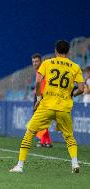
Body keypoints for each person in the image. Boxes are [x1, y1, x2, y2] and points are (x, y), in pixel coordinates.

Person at [10, 40, 84, 173]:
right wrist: (72, 94)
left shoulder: (47, 63)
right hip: (64, 107)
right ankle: (75, 163)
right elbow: (82, 88)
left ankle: (20, 165)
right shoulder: (75, 67)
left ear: (56, 51)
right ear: (68, 52)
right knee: (69, 137)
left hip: (47, 105)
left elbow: (38, 81)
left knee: (30, 132)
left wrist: (38, 98)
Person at [31, 53, 53, 148]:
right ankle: (45, 140)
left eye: (36, 61)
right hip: (39, 96)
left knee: (41, 119)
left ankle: (45, 140)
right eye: (33, 62)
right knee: (41, 119)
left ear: (41, 61)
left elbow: (46, 84)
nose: (35, 63)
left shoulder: (43, 70)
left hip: (43, 97)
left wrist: (40, 97)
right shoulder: (38, 71)